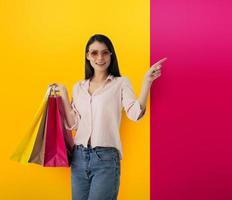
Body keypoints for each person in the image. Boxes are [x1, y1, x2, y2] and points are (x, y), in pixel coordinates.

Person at [50, 34, 167, 200]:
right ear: (87, 56)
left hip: (105, 159)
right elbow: (74, 124)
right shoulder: (78, 87)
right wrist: (64, 94)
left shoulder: (120, 83)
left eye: (105, 52)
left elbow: (135, 114)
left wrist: (146, 82)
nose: (100, 57)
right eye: (94, 53)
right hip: (79, 157)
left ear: (111, 55)